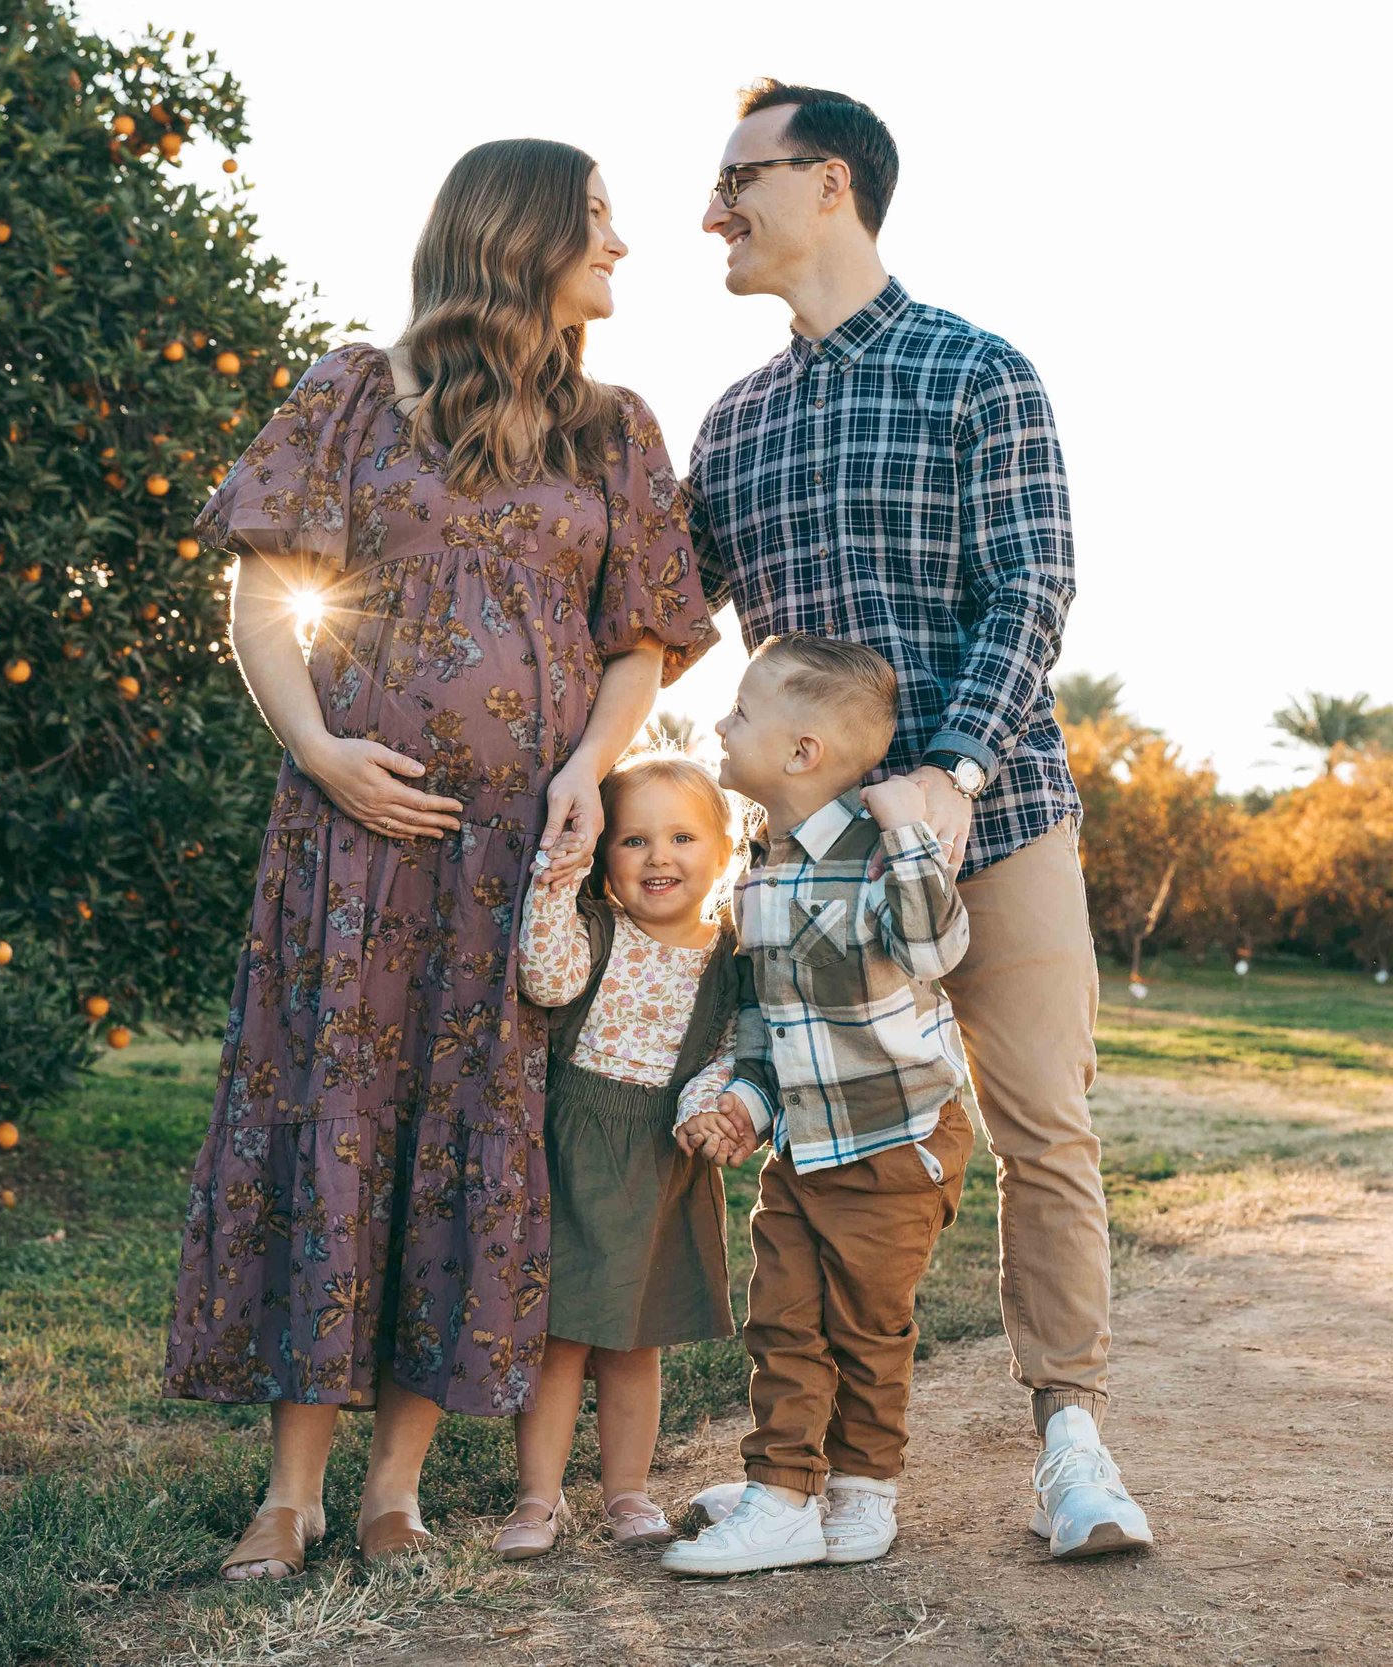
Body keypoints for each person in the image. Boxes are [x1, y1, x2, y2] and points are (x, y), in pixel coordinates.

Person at [161, 138, 718, 1581]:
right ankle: (287, 1493)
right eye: (596, 221)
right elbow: (265, 597)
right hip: (351, 842)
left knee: (472, 1131)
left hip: (518, 856)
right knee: (335, 1115)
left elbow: (641, 637)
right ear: (516, 236)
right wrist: (319, 750)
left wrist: (587, 769)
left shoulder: (615, 429)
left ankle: (395, 1489)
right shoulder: (354, 390)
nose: (622, 247)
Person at [687, 80, 1151, 1558]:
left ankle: (1071, 1438)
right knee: (803, 1150)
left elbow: (1033, 587)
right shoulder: (733, 424)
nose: (713, 210)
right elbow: (656, 612)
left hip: (995, 819)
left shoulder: (976, 372)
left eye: (738, 180)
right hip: (808, 874)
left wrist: (951, 771)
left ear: (830, 181)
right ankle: (814, 1477)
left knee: (1044, 1123)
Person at [657, 634, 975, 1577]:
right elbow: (767, 1026)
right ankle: (783, 1490)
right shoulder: (759, 874)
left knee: (866, 1330)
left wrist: (909, 826)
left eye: (741, 711)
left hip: (896, 1143)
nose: (721, 723)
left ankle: (863, 1491)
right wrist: (745, 1103)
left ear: (802, 751)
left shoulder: (882, 855)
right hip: (804, 1146)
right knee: (783, 1317)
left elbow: (933, 950)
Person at [495, 750, 744, 1560]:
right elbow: (545, 978)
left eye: (682, 837)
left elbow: (729, 1052)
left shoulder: (730, 960)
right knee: (562, 1336)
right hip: (574, 1147)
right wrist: (556, 876)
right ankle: (538, 1497)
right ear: (606, 856)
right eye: (635, 839)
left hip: (660, 1157)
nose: (658, 856)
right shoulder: (597, 930)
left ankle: (628, 1491)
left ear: (723, 850)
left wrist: (708, 1110)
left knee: (635, 1340)